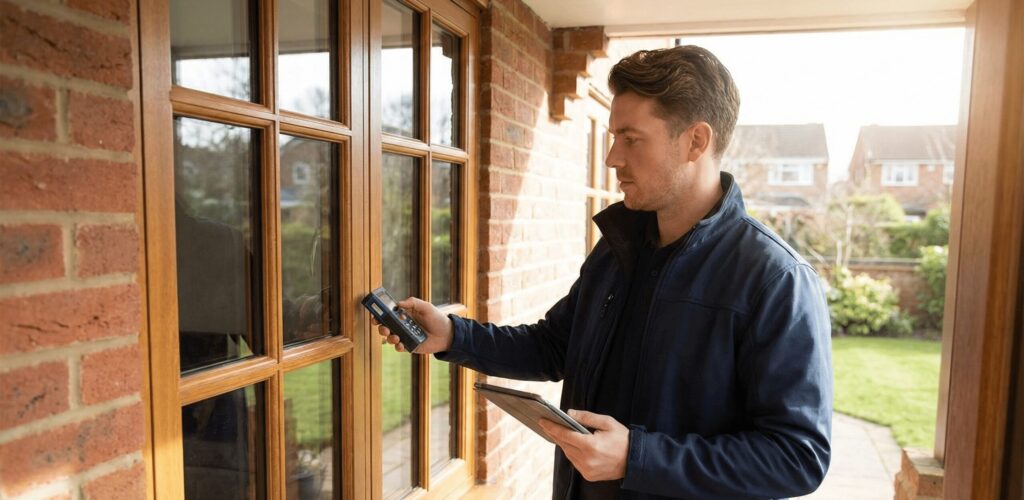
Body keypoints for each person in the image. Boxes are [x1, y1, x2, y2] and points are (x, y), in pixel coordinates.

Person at [376, 45, 832, 499]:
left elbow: (797, 456)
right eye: (614, 137)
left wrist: (638, 458)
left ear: (696, 141)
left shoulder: (776, 279)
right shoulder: (618, 248)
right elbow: (553, 347)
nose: (612, 158)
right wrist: (453, 336)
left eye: (631, 139)